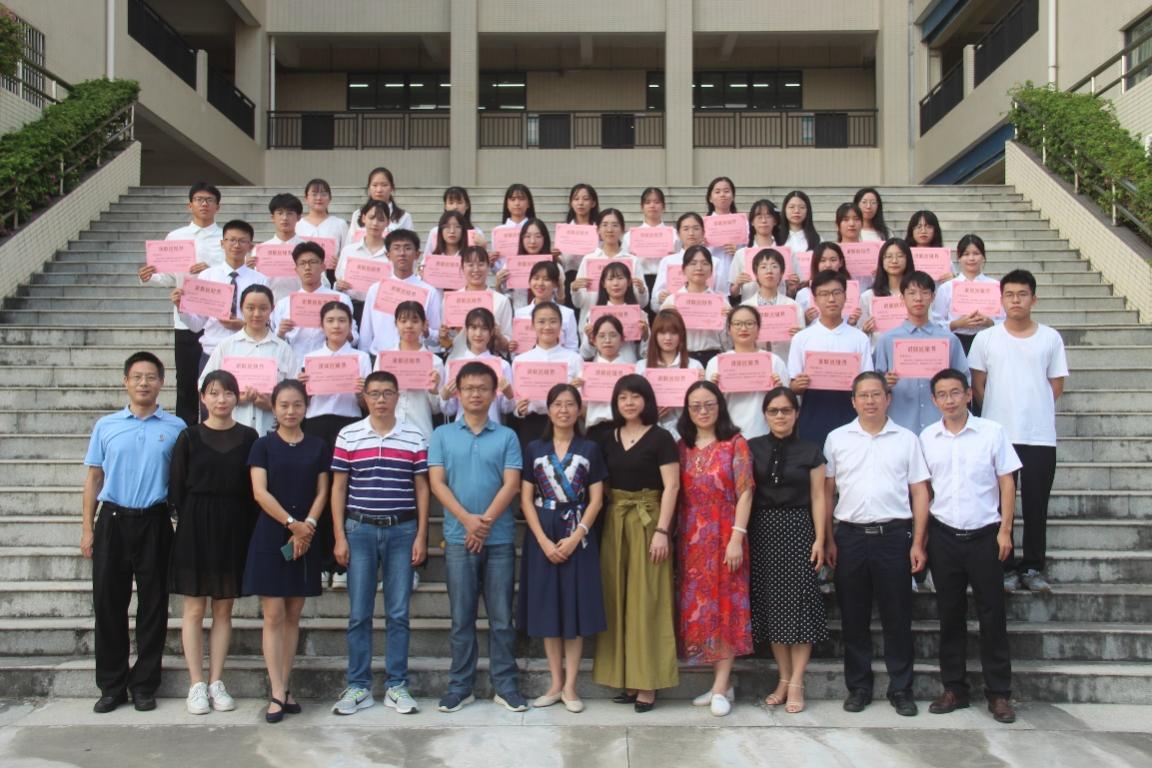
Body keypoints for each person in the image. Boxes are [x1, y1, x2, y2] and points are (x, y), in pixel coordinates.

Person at [82, 351, 187, 713]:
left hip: (155, 522)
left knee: (154, 606)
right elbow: (94, 478)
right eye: (137, 377)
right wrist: (87, 528)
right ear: (125, 381)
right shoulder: (106, 425)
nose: (144, 383)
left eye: (151, 377)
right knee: (108, 605)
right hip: (112, 520)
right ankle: (111, 686)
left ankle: (144, 685)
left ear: (162, 383)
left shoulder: (176, 428)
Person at [824, 372, 930, 717]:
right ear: (853, 401)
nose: (870, 401)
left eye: (876, 394)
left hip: (894, 537)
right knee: (853, 618)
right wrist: (827, 538)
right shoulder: (837, 438)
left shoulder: (907, 439)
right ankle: (859, 687)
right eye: (863, 395)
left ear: (888, 399)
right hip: (850, 537)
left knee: (897, 617)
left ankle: (901, 689)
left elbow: (920, 492)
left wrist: (918, 542)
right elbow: (827, 492)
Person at [921, 368, 1021, 724]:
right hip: (943, 535)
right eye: (942, 395)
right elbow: (923, 490)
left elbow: (1007, 483)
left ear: (968, 395)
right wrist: (922, 539)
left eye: (955, 392)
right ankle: (954, 689)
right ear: (934, 400)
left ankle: (999, 693)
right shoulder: (927, 437)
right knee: (950, 615)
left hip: (985, 534)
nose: (949, 400)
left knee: (992, 615)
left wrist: (1005, 531)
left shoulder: (992, 432)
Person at [329, 371, 429, 717]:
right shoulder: (349, 435)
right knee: (359, 613)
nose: (381, 399)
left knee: (398, 613)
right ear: (364, 398)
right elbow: (339, 487)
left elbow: (422, 488)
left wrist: (421, 534)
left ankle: (397, 685)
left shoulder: (414, 436)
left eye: (388, 393)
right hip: (360, 530)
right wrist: (339, 535)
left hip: (402, 530)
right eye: (374, 393)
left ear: (398, 396)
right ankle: (358, 685)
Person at [428, 362, 526, 713]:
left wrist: (483, 524)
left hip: (498, 539)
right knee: (461, 617)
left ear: (494, 393)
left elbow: (511, 484)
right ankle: (460, 686)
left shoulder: (507, 436)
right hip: (457, 537)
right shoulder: (442, 435)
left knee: (501, 617)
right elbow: (437, 483)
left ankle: (506, 685)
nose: (475, 394)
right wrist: (467, 521)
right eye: (469, 388)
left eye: (483, 388)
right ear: (458, 393)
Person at [968, 269, 1068, 593]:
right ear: (1001, 299)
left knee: (1037, 505)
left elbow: (1056, 385)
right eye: (1009, 295)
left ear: (1033, 299)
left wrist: (1032, 408)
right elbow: (978, 386)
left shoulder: (1050, 338)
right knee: (998, 506)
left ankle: (1033, 566)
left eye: (1022, 294)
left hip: (1039, 436)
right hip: (998, 435)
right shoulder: (986, 338)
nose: (1016, 300)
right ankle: (1004, 567)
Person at [168, 370, 259, 715]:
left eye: (228, 393)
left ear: (237, 397)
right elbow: (176, 488)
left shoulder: (249, 436)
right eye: (214, 393)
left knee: (223, 609)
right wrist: (188, 520)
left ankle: (216, 681)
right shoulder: (188, 436)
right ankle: (195, 683)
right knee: (194, 609)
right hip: (195, 524)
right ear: (203, 397)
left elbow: (253, 488)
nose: (222, 399)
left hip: (233, 525)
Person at [242, 379, 330, 723]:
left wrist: (308, 525)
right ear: (274, 408)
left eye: (297, 404)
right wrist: (292, 523)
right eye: (283, 405)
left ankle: (285, 685)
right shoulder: (263, 446)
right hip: (272, 534)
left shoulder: (318, 445)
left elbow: (323, 491)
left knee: (293, 614)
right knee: (273, 614)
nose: (290, 411)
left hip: (307, 535)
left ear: (306, 407)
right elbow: (259, 493)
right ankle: (276, 690)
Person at [518, 384, 608, 714]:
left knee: (574, 607)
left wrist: (576, 535)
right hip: (542, 529)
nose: (564, 410)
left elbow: (597, 499)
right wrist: (543, 540)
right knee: (548, 608)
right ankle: (555, 683)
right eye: (557, 404)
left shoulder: (590, 448)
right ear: (549, 409)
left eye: (570, 404)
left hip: (578, 532)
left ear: (579, 410)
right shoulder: (534, 448)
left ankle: (571, 686)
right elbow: (525, 499)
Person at [593, 374, 680, 713]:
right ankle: (625, 677)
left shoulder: (661, 437)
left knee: (648, 599)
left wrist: (662, 531)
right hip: (616, 520)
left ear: (647, 400)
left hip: (649, 519)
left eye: (635, 396)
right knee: (616, 598)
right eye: (623, 397)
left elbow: (672, 486)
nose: (629, 403)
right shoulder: (607, 438)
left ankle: (648, 682)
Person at [747, 387, 828, 715]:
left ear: (796, 414)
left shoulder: (811, 450)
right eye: (773, 411)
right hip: (762, 531)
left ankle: (797, 681)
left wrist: (820, 538)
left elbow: (819, 496)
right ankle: (783, 678)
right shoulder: (752, 448)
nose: (780, 416)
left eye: (786, 410)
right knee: (772, 607)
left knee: (801, 606)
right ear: (765, 415)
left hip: (799, 530)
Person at [675, 381, 754, 717]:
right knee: (702, 610)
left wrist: (737, 536)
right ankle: (719, 683)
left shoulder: (735, 443)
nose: (703, 411)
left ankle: (722, 686)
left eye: (709, 404)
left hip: (725, 534)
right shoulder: (682, 446)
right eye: (696, 406)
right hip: (691, 538)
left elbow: (745, 491)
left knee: (726, 607)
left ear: (720, 405)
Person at [298, 301, 372, 588]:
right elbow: (302, 402)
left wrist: (361, 394)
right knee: (319, 491)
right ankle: (319, 561)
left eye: (342, 320)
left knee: (346, 492)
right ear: (321, 325)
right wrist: (303, 387)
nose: (336, 325)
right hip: (316, 426)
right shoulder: (310, 357)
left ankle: (342, 564)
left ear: (350, 325)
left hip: (349, 425)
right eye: (330, 320)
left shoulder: (360, 358)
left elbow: (365, 405)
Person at [137, 182, 224, 426]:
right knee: (186, 381)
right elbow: (168, 277)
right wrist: (149, 276)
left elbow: (233, 273)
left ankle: (214, 429)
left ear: (218, 206)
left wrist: (211, 270)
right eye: (199, 199)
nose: (204, 204)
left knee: (217, 381)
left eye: (209, 200)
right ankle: (185, 432)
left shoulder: (226, 238)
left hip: (217, 320)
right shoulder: (176, 237)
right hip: (185, 318)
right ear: (189, 205)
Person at [873, 271, 970, 435]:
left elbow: (964, 380)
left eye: (925, 293)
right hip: (899, 425)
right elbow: (873, 383)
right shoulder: (887, 340)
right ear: (902, 298)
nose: (918, 298)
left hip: (941, 427)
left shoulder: (949, 340)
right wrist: (884, 383)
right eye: (912, 293)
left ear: (933, 297)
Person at [173, 219, 269, 377]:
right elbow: (196, 325)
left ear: (250, 246)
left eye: (242, 241)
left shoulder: (260, 280)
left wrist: (244, 325)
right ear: (222, 243)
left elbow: (267, 322)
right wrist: (181, 307)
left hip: (248, 353)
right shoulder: (207, 276)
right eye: (231, 240)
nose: (236, 245)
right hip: (213, 353)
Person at [788, 270, 873, 447]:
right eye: (824, 294)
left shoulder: (859, 338)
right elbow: (793, 386)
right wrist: (799, 384)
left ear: (845, 296)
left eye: (836, 293)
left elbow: (867, 383)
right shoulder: (802, 338)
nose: (831, 299)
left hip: (851, 417)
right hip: (813, 415)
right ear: (815, 299)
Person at [198, 284, 297, 435]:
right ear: (241, 308)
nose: (257, 314)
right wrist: (234, 398)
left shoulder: (283, 349)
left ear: (272, 309)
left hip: (271, 431)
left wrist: (273, 404)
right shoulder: (226, 346)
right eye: (250, 308)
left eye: (263, 308)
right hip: (230, 431)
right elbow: (203, 385)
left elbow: (295, 393)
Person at [705, 305, 789, 439]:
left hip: (765, 434)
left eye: (749, 323)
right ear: (729, 329)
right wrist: (713, 390)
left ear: (758, 328)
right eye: (737, 324)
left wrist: (778, 390)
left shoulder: (774, 361)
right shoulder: (716, 363)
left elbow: (787, 403)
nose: (743, 328)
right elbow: (709, 405)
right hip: (728, 434)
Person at [359, 229, 443, 355]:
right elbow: (366, 330)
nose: (402, 253)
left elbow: (437, 338)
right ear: (388, 255)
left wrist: (426, 332)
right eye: (396, 248)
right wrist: (365, 356)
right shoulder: (376, 289)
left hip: (415, 358)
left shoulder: (429, 292)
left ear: (417, 254)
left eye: (408, 248)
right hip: (379, 357)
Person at [271, 241, 355, 360]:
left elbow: (354, 338)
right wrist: (281, 332)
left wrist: (343, 331)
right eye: (302, 263)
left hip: (329, 363)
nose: (307, 267)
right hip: (296, 362)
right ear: (296, 269)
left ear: (323, 267)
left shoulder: (340, 299)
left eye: (312, 262)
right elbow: (275, 342)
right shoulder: (284, 303)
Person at [635, 308, 705, 440]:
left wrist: (702, 385)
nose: (668, 338)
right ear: (654, 335)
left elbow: (702, 404)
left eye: (673, 333)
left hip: (688, 433)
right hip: (649, 434)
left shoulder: (694, 366)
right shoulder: (641, 367)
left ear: (681, 335)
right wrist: (651, 414)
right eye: (662, 332)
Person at [931, 234, 1004, 355]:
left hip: (988, 340)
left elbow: (1006, 320)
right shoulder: (947, 288)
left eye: (976, 253)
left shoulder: (996, 286)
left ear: (983, 256)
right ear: (959, 258)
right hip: (956, 341)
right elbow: (936, 321)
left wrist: (989, 322)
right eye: (966, 254)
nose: (971, 258)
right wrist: (957, 324)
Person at [660, 245, 728, 367]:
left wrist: (728, 320)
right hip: (681, 358)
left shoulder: (721, 301)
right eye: (693, 263)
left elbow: (726, 340)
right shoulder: (672, 301)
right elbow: (662, 333)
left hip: (712, 357)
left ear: (711, 270)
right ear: (684, 269)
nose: (699, 268)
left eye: (705, 263)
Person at [570, 208, 649, 313]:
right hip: (592, 321)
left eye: (615, 225)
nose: (609, 230)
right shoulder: (588, 259)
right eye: (605, 225)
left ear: (622, 229)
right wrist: (575, 290)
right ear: (598, 230)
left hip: (625, 320)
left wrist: (641, 290)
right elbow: (578, 303)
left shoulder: (632, 261)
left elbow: (642, 303)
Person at [738, 247, 804, 363]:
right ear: (756, 274)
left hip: (785, 363)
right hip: (755, 364)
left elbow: (802, 344)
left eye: (774, 266)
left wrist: (799, 336)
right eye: (763, 267)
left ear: (782, 273)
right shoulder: (745, 308)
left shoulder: (793, 306)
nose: (769, 271)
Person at [509, 258, 579, 354]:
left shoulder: (567, 313)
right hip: (528, 362)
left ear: (555, 284)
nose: (540, 283)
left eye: (546, 279)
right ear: (529, 282)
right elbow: (516, 351)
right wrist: (512, 346)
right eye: (536, 278)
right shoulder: (520, 313)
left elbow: (573, 348)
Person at [729, 199, 785, 304]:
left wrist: (792, 287)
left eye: (768, 216)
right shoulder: (741, 254)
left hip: (780, 308)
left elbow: (791, 291)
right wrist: (737, 284)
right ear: (752, 222)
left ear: (775, 221)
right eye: (759, 217)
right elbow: (733, 293)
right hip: (750, 309)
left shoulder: (786, 253)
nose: (764, 221)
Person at [260, 193, 306, 303]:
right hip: (268, 306)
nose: (284, 218)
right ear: (272, 217)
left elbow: (322, 282)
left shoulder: (307, 249)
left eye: (290, 213)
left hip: (299, 305)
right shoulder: (261, 249)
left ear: (298, 217)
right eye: (280, 213)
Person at [347, 166, 412, 242]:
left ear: (392, 188)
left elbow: (410, 243)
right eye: (374, 185)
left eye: (384, 185)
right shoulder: (358, 214)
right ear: (369, 188)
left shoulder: (403, 217)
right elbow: (350, 242)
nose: (379, 190)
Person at [780, 190, 821, 292]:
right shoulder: (775, 239)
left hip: (809, 290)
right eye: (791, 207)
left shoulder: (817, 239)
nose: (796, 211)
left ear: (808, 211)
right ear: (785, 210)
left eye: (802, 207)